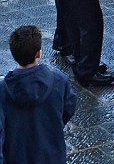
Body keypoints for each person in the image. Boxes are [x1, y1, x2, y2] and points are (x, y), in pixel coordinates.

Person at [0, 26, 76, 164]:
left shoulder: (3, 89)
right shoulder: (58, 80)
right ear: (39, 54)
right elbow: (68, 108)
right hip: (52, 154)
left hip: (17, 155)